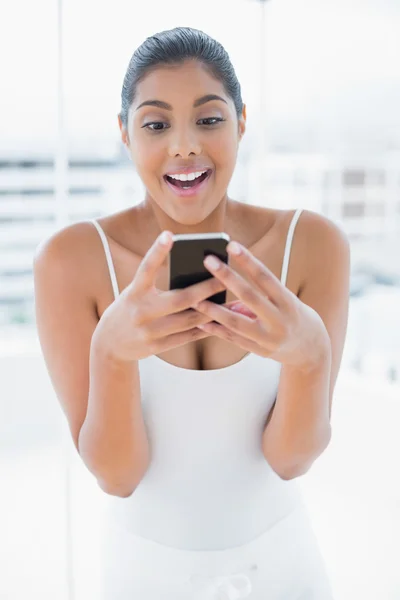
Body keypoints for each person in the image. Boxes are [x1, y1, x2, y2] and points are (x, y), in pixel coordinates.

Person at [33, 26, 350, 600]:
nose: (184, 146)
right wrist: (112, 352)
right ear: (125, 135)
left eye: (208, 119)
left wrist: (311, 357)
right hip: (142, 574)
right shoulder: (72, 261)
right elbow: (118, 475)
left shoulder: (314, 244)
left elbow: (290, 459)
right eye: (156, 124)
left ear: (242, 123)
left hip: (284, 568)